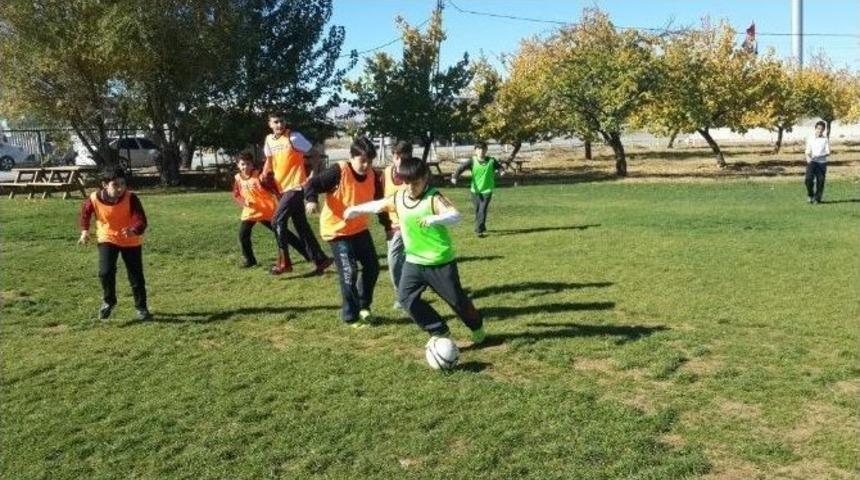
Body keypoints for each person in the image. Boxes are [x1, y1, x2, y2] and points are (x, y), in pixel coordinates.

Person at [345, 157, 486, 344]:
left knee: (457, 301)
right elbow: (379, 205)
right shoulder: (399, 197)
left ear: (425, 178)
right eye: (407, 183)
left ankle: (477, 327)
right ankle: (439, 330)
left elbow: (455, 216)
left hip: (439, 261)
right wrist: (355, 209)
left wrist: (434, 219)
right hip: (414, 261)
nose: (411, 188)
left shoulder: (434, 197)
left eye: (416, 183)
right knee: (405, 299)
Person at [304, 137, 383, 327]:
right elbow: (312, 184)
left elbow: (380, 202)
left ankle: (363, 306)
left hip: (359, 229)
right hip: (337, 231)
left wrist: (388, 226)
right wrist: (311, 200)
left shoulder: (373, 176)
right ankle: (351, 316)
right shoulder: (339, 171)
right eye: (362, 160)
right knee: (349, 272)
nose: (366, 165)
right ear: (352, 157)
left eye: (370, 161)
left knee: (372, 267)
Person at [261, 113, 332, 274]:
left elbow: (315, 154)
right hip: (283, 187)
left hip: (296, 186)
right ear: (270, 124)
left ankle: (284, 263)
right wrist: (264, 174)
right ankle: (321, 260)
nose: (279, 124)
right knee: (301, 225)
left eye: (282, 121)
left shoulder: (293, 137)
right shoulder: (269, 140)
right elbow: (269, 160)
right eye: (276, 122)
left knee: (276, 221)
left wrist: (313, 174)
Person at [78, 168, 150, 321]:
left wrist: (133, 230)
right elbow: (85, 213)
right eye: (115, 184)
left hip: (130, 240)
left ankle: (141, 308)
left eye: (123, 184)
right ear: (105, 185)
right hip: (108, 238)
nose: (120, 188)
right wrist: (84, 231)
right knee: (105, 272)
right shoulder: (94, 198)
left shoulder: (131, 198)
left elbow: (141, 220)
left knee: (136, 276)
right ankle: (109, 301)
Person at [232, 152, 303, 270]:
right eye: (242, 164)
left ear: (252, 164)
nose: (245, 167)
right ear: (238, 165)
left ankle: (307, 253)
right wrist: (244, 202)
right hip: (251, 212)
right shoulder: (238, 178)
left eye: (248, 164)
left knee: (283, 234)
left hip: (267, 211)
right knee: (243, 235)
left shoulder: (260, 176)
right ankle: (250, 260)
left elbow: (275, 188)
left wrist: (282, 201)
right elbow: (236, 194)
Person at [381, 141, 413, 310]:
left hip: (410, 224)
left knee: (394, 259)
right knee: (401, 260)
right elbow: (381, 199)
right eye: (396, 157)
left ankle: (403, 296)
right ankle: (407, 293)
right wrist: (386, 225)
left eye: (403, 158)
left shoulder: (414, 174)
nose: (399, 161)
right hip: (392, 224)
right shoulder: (386, 173)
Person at [450, 140, 505, 237]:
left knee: (482, 210)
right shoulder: (472, 161)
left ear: (486, 150)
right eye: (479, 149)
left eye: (483, 149)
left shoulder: (491, 161)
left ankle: (478, 230)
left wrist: (501, 171)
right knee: (478, 210)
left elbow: (499, 167)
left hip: (487, 190)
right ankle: (482, 227)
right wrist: (455, 177)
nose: (481, 151)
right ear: (475, 150)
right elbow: (461, 168)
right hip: (475, 191)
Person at [804, 120, 830, 204]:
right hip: (812, 162)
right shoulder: (810, 138)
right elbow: (807, 151)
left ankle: (817, 198)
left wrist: (820, 155)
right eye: (818, 128)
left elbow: (828, 152)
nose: (820, 130)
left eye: (822, 129)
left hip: (821, 163)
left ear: (824, 130)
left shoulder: (825, 139)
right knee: (808, 179)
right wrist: (808, 158)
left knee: (820, 181)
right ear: (815, 129)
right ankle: (810, 194)